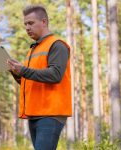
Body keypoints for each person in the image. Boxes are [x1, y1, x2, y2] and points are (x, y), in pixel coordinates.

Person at [7, 4, 72, 150]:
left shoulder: (57, 45)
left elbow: (55, 75)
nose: (27, 28)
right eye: (25, 24)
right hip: (35, 113)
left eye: (31, 23)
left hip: (51, 113)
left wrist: (23, 70)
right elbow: (30, 81)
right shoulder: (33, 49)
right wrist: (15, 72)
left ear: (44, 22)